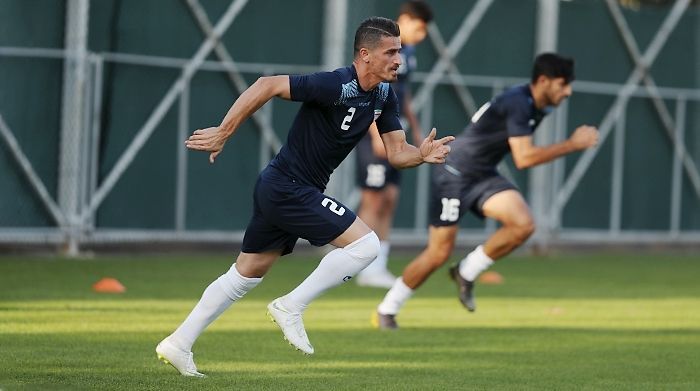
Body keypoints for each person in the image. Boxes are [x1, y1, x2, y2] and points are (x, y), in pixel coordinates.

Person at [155, 16, 454, 377]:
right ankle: (291, 306)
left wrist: (421, 154)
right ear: (365, 55)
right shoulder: (336, 84)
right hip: (287, 187)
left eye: (399, 51)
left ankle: (178, 343)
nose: (398, 60)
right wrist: (224, 131)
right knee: (366, 246)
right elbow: (266, 85)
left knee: (246, 275)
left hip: (285, 188)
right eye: (390, 52)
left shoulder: (383, 95)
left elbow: (396, 152)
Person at [373, 53, 599, 329]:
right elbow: (524, 158)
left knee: (523, 224)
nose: (568, 92)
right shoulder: (519, 103)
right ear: (543, 81)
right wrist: (572, 144)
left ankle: (466, 271)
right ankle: (387, 308)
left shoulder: (538, 104)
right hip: (455, 173)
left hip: (483, 173)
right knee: (438, 253)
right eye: (563, 84)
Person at [355, 1, 433, 289]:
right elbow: (373, 87)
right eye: (420, 28)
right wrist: (376, 134)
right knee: (373, 198)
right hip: (374, 133)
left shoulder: (408, 55)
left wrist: (415, 126)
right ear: (405, 19)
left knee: (389, 198)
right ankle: (358, 263)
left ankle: (378, 266)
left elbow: (404, 95)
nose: (422, 35)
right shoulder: (383, 46)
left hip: (393, 132)